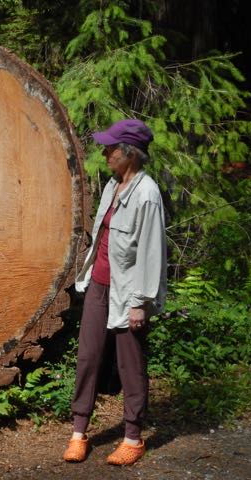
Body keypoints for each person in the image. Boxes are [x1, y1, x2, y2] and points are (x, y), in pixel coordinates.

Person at [62, 119, 167, 465]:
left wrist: (140, 303)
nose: (105, 152)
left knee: (130, 362)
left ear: (130, 153)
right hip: (100, 284)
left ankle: (133, 438)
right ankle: (79, 432)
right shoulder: (112, 185)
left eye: (111, 147)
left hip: (129, 293)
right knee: (89, 356)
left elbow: (151, 253)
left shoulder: (147, 194)